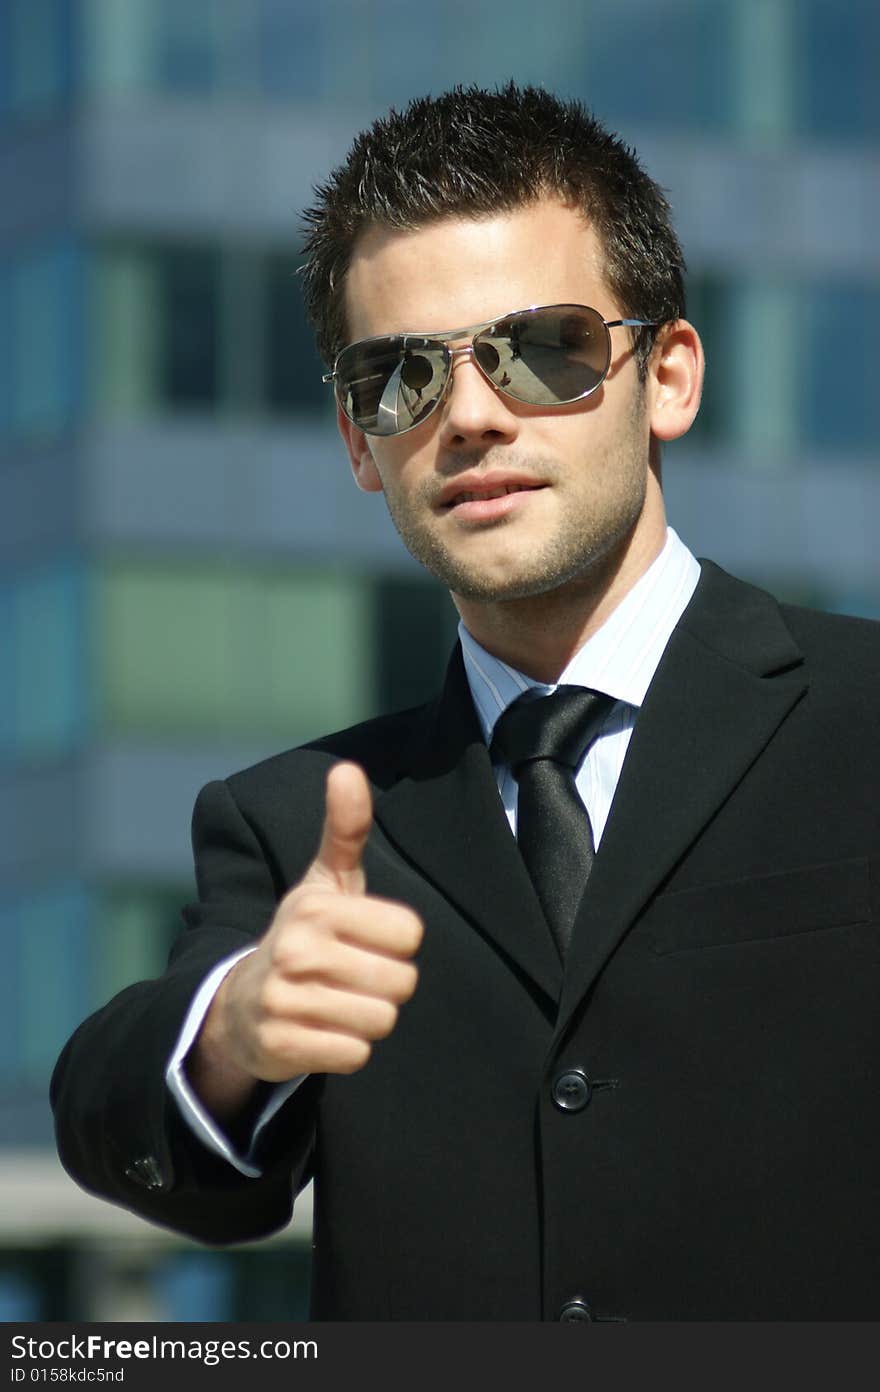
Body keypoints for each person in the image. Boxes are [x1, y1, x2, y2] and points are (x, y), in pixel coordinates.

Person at [51, 84, 880, 1322]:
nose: (473, 417)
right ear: (354, 440)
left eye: (540, 346)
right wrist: (232, 1032)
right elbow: (127, 1130)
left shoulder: (863, 721)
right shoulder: (297, 827)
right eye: (399, 376)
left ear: (668, 377)